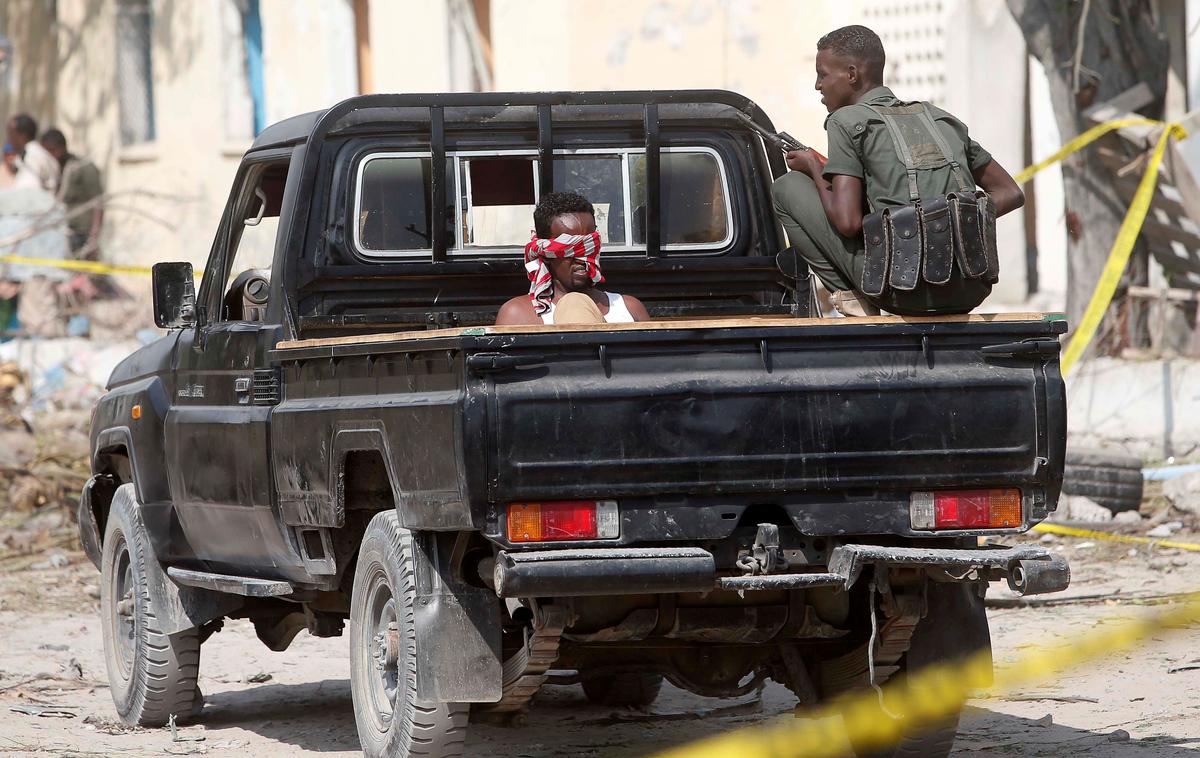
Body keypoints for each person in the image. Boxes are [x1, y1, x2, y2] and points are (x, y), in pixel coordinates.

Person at [772, 25, 1024, 317]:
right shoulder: (940, 119)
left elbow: (848, 223)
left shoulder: (845, 122)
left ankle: (852, 299)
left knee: (787, 188)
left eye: (823, 74)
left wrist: (815, 168)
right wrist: (953, 217)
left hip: (902, 292)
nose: (818, 85)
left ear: (852, 75)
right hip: (970, 288)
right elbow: (1011, 193)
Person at [496, 191, 651, 325]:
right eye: (571, 249)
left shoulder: (630, 309)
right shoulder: (519, 316)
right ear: (545, 252)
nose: (582, 258)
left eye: (589, 245)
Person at [40, 128, 104, 259]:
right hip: (60, 232)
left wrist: (93, 238)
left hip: (81, 232)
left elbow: (99, 202)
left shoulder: (82, 167)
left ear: (62, 147)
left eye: (52, 150)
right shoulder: (50, 171)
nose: (49, 156)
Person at [5, 114, 59, 193]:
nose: (9, 138)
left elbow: (29, 189)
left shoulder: (32, 156)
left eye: (11, 133)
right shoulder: (34, 152)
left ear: (22, 136)